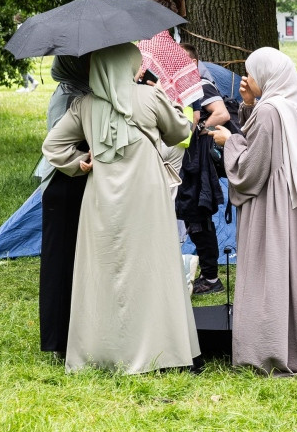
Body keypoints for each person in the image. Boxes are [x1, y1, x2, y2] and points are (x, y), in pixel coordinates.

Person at [42, 43, 199, 374]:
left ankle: (102, 349)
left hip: (102, 199)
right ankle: (162, 350)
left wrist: (78, 162)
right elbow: (180, 132)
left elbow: (53, 146)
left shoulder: (84, 105)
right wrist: (169, 103)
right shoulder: (150, 97)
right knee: (153, 267)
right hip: (147, 196)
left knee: (104, 270)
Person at [208, 48, 297, 375]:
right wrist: (249, 104)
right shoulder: (292, 105)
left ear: (266, 75)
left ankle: (268, 349)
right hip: (296, 203)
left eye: (252, 73)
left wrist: (228, 142)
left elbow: (252, 167)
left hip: (273, 205)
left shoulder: (268, 111)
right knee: (295, 273)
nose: (247, 78)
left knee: (271, 270)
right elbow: (268, 143)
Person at [36, 55, 90, 359]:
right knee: (60, 263)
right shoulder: (70, 96)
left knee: (74, 260)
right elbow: (56, 146)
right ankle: (58, 340)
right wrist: (80, 160)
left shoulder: (79, 91)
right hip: (63, 184)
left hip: (73, 183)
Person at [175, 43, 231, 296]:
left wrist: (197, 128)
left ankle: (211, 277)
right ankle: (207, 274)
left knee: (198, 217)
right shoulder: (187, 87)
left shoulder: (202, 85)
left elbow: (222, 113)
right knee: (194, 216)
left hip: (199, 165)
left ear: (193, 63)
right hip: (192, 163)